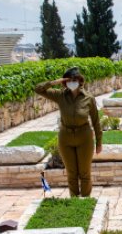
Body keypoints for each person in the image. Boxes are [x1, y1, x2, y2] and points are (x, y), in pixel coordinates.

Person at [34, 67, 102, 197]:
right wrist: (55, 82)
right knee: (71, 173)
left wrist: (99, 142)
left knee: (84, 173)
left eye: (74, 80)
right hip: (65, 137)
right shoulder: (60, 96)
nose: (72, 82)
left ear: (80, 80)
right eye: (69, 80)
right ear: (64, 82)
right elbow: (38, 89)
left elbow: (96, 121)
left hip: (84, 137)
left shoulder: (88, 98)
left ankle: (85, 201)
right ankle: (74, 201)